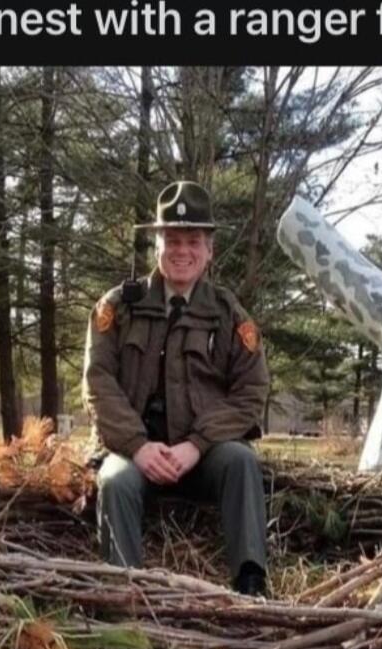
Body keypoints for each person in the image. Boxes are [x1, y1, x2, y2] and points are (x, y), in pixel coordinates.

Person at [81, 181, 270, 596]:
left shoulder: (227, 314)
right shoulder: (118, 307)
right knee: (113, 481)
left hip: (203, 456)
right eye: (172, 240)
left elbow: (252, 390)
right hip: (134, 453)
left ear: (209, 251)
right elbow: (98, 383)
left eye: (193, 241)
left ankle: (251, 582)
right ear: (157, 246)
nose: (182, 250)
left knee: (241, 461)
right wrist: (137, 446)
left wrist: (197, 444)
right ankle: (125, 592)